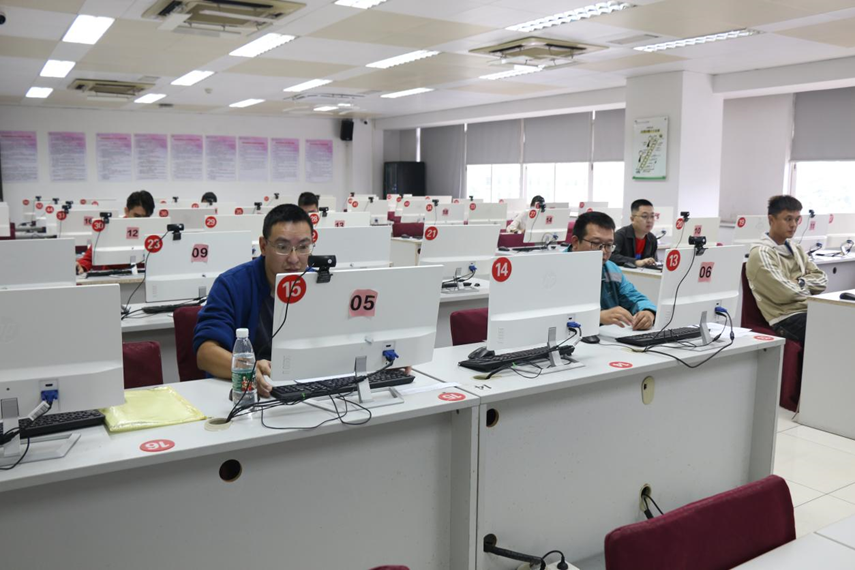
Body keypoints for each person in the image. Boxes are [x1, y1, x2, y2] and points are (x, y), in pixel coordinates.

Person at [194, 204, 313, 397]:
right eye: (282, 247)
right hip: (248, 393)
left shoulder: (319, 284)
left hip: (306, 388)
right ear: (263, 246)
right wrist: (247, 367)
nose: (294, 259)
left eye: (303, 247)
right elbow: (205, 354)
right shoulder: (232, 284)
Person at [746, 195, 827, 343]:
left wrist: (800, 282)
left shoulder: (796, 248)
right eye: (788, 219)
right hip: (785, 318)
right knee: (837, 328)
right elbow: (785, 293)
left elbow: (822, 279)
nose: (793, 225)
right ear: (771, 220)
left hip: (808, 310)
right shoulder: (761, 253)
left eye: (797, 219)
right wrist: (808, 289)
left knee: (844, 317)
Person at [568, 211, 657, 330]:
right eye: (596, 243)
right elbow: (552, 317)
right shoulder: (555, 270)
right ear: (575, 242)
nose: (603, 251)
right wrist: (597, 317)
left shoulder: (611, 269)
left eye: (609, 245)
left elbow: (634, 297)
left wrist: (648, 312)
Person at [75, 190, 155, 274]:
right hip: (111, 276)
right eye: (137, 216)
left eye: (146, 217)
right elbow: (89, 257)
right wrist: (81, 265)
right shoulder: (112, 228)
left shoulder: (154, 230)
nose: (141, 221)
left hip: (144, 275)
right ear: (126, 211)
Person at [611, 199, 660, 268]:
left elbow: (654, 261)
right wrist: (635, 262)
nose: (649, 220)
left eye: (652, 216)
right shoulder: (620, 235)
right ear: (632, 219)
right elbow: (611, 256)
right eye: (644, 216)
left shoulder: (652, 239)